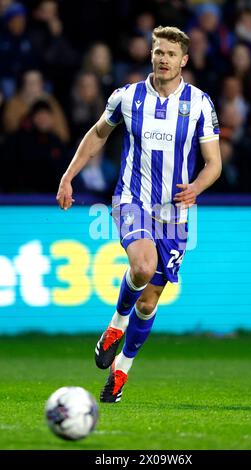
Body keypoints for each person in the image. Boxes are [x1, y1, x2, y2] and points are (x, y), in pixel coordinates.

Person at [56, 26, 222, 403]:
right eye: (158, 51)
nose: (163, 58)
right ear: (151, 55)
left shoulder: (199, 103)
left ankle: (121, 372)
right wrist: (69, 176)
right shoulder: (127, 97)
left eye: (170, 53)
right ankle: (115, 326)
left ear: (184, 60)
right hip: (132, 200)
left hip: (174, 214)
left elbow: (214, 164)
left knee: (148, 302)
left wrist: (197, 187)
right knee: (143, 265)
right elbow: (98, 134)